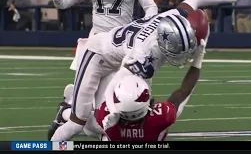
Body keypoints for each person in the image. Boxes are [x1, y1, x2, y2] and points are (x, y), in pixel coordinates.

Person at [48, 0, 251, 141]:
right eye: (178, 50)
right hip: (96, 54)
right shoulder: (144, 55)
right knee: (78, 122)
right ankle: (64, 116)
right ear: (166, 43)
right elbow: (119, 82)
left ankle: (72, 107)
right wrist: (113, 110)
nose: (181, 54)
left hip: (118, 54)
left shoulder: (175, 16)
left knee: (100, 129)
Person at [56, 33, 207, 141]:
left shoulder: (107, 115)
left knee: (89, 125)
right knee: (95, 128)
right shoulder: (161, 118)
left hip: (113, 131)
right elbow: (184, 91)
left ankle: (66, 110)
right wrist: (198, 58)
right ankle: (68, 109)